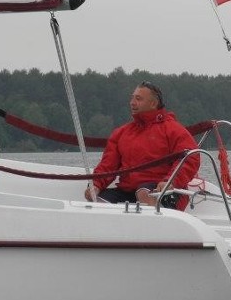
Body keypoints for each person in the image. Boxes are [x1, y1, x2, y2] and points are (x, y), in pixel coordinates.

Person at [84, 81, 200, 209]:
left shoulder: (173, 130)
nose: (132, 102)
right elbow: (108, 166)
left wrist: (170, 182)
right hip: (129, 190)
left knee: (144, 192)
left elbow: (190, 158)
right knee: (98, 201)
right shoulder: (121, 133)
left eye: (138, 99)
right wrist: (95, 185)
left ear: (153, 103)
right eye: (132, 98)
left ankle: (155, 226)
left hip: (164, 190)